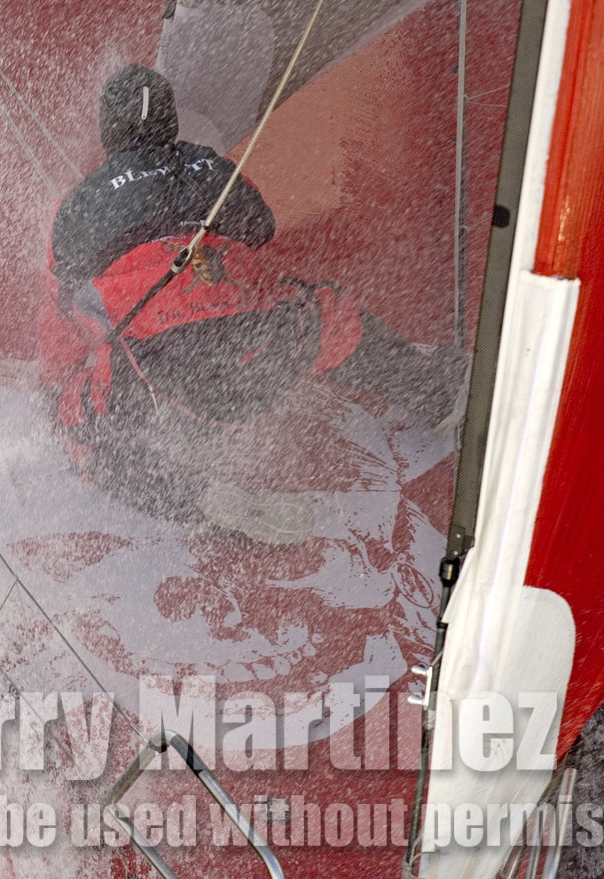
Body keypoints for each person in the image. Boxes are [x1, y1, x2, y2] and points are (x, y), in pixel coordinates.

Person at [40, 64, 465, 540]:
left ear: (108, 130)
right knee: (328, 315)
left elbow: (65, 297)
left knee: (74, 425)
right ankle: (435, 392)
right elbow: (260, 226)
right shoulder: (210, 166)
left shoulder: (76, 204)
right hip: (259, 359)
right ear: (170, 120)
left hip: (167, 389)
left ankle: (198, 499)